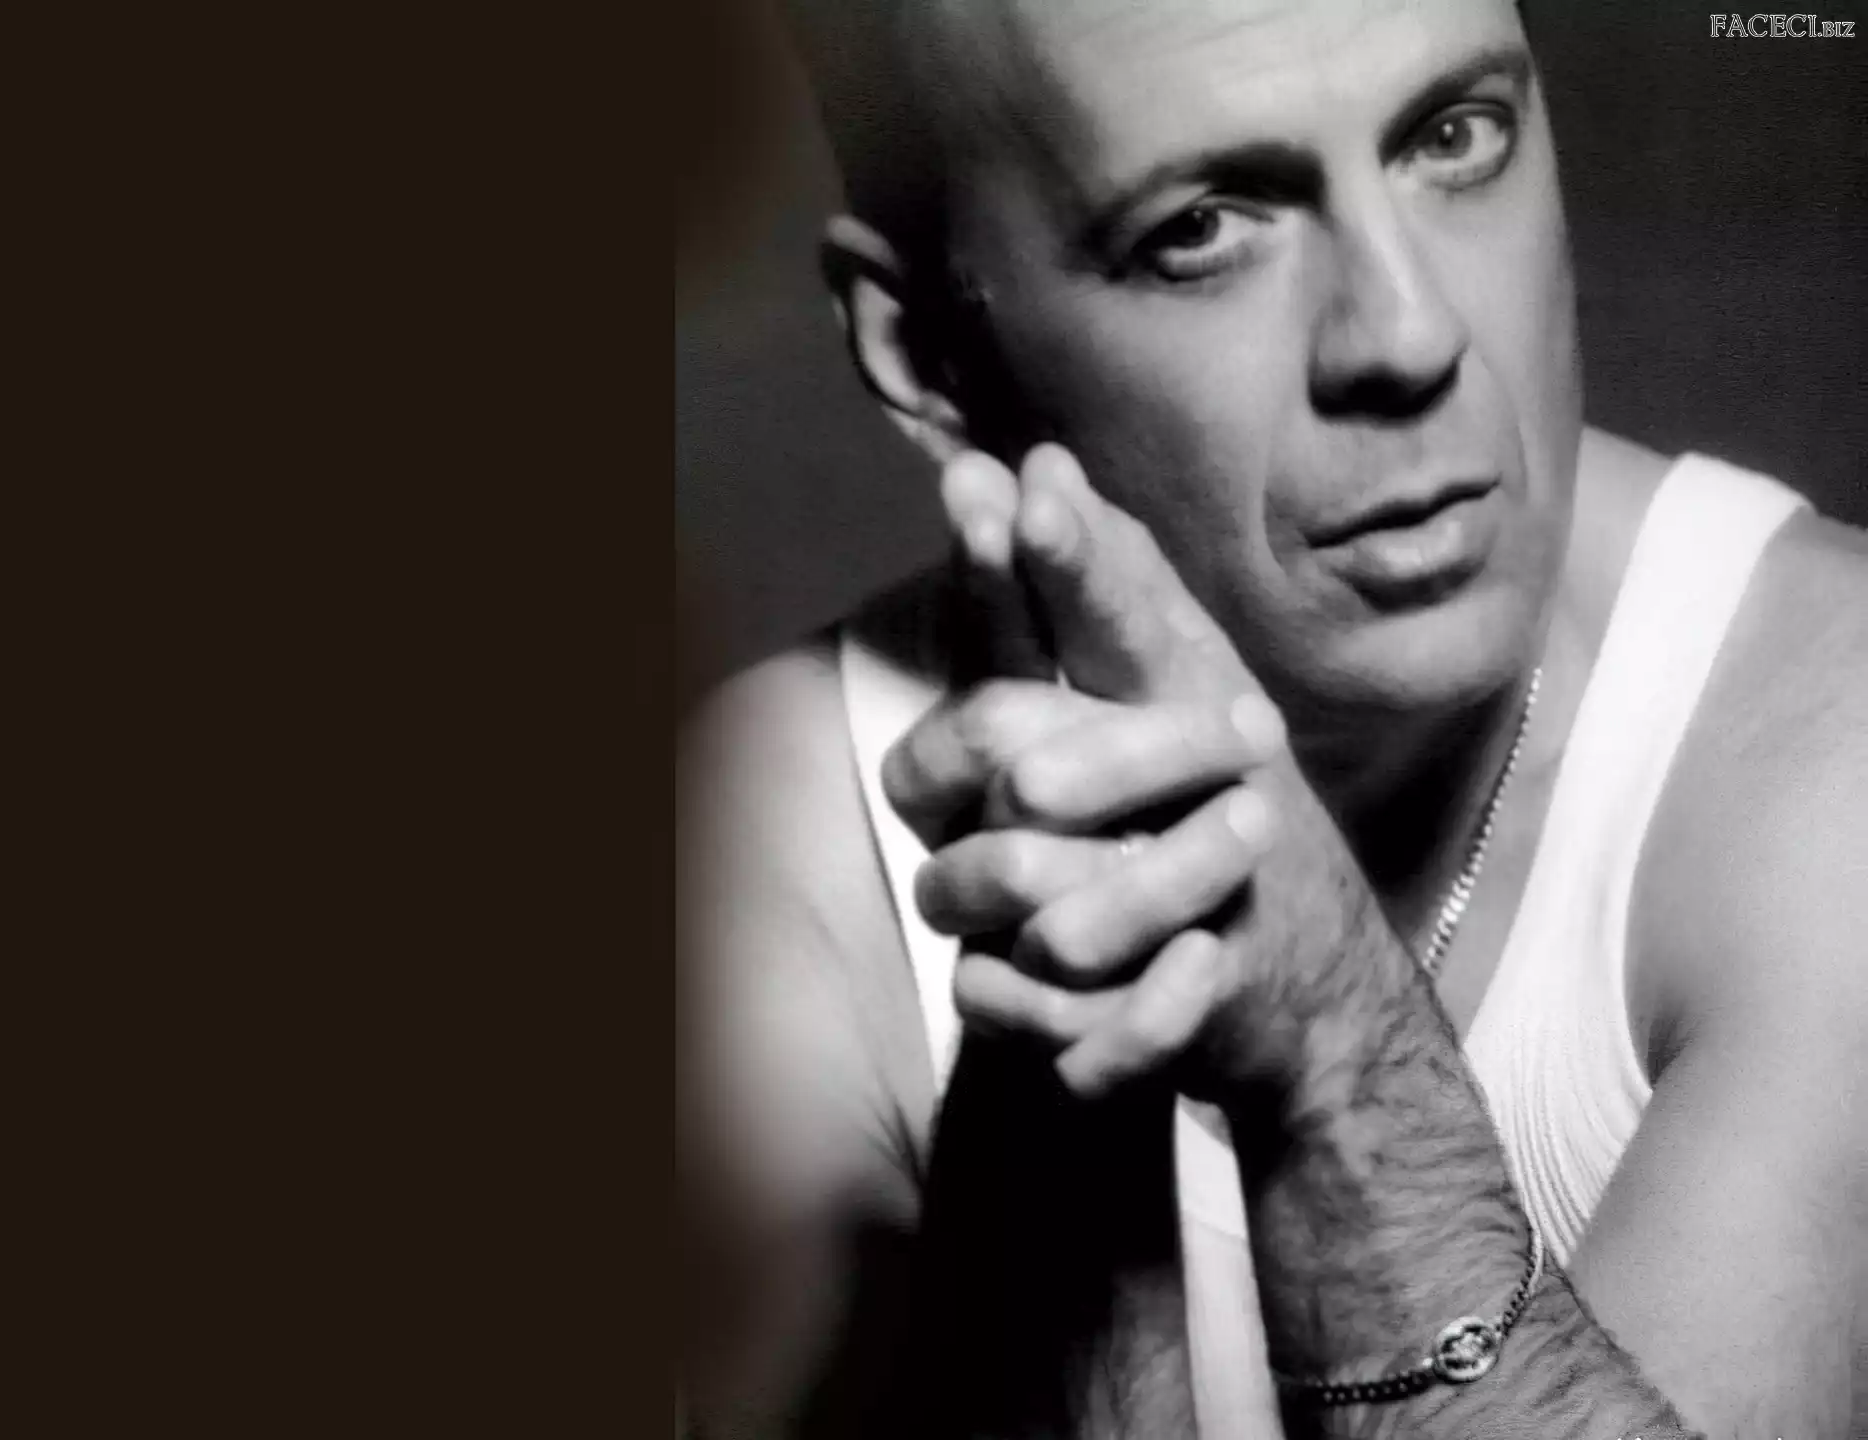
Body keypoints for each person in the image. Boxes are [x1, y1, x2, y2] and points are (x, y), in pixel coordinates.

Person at [677, 2, 1868, 1435]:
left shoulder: (1828, 737)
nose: (1409, 336)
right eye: (1202, 229)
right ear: (927, 354)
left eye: (1455, 137)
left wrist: (1343, 1063)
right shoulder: (747, 854)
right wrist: (1076, 1162)